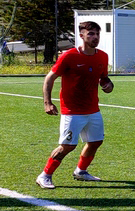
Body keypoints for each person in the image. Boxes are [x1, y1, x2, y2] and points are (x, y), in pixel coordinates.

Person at [36, 21, 114, 189]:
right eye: (91, 33)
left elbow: (104, 79)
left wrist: (108, 85)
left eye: (97, 34)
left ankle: (81, 171)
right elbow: (50, 78)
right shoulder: (69, 56)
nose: (95, 37)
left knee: (95, 142)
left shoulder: (103, 56)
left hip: (93, 109)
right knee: (68, 146)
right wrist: (47, 103)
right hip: (72, 111)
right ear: (81, 35)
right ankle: (45, 175)